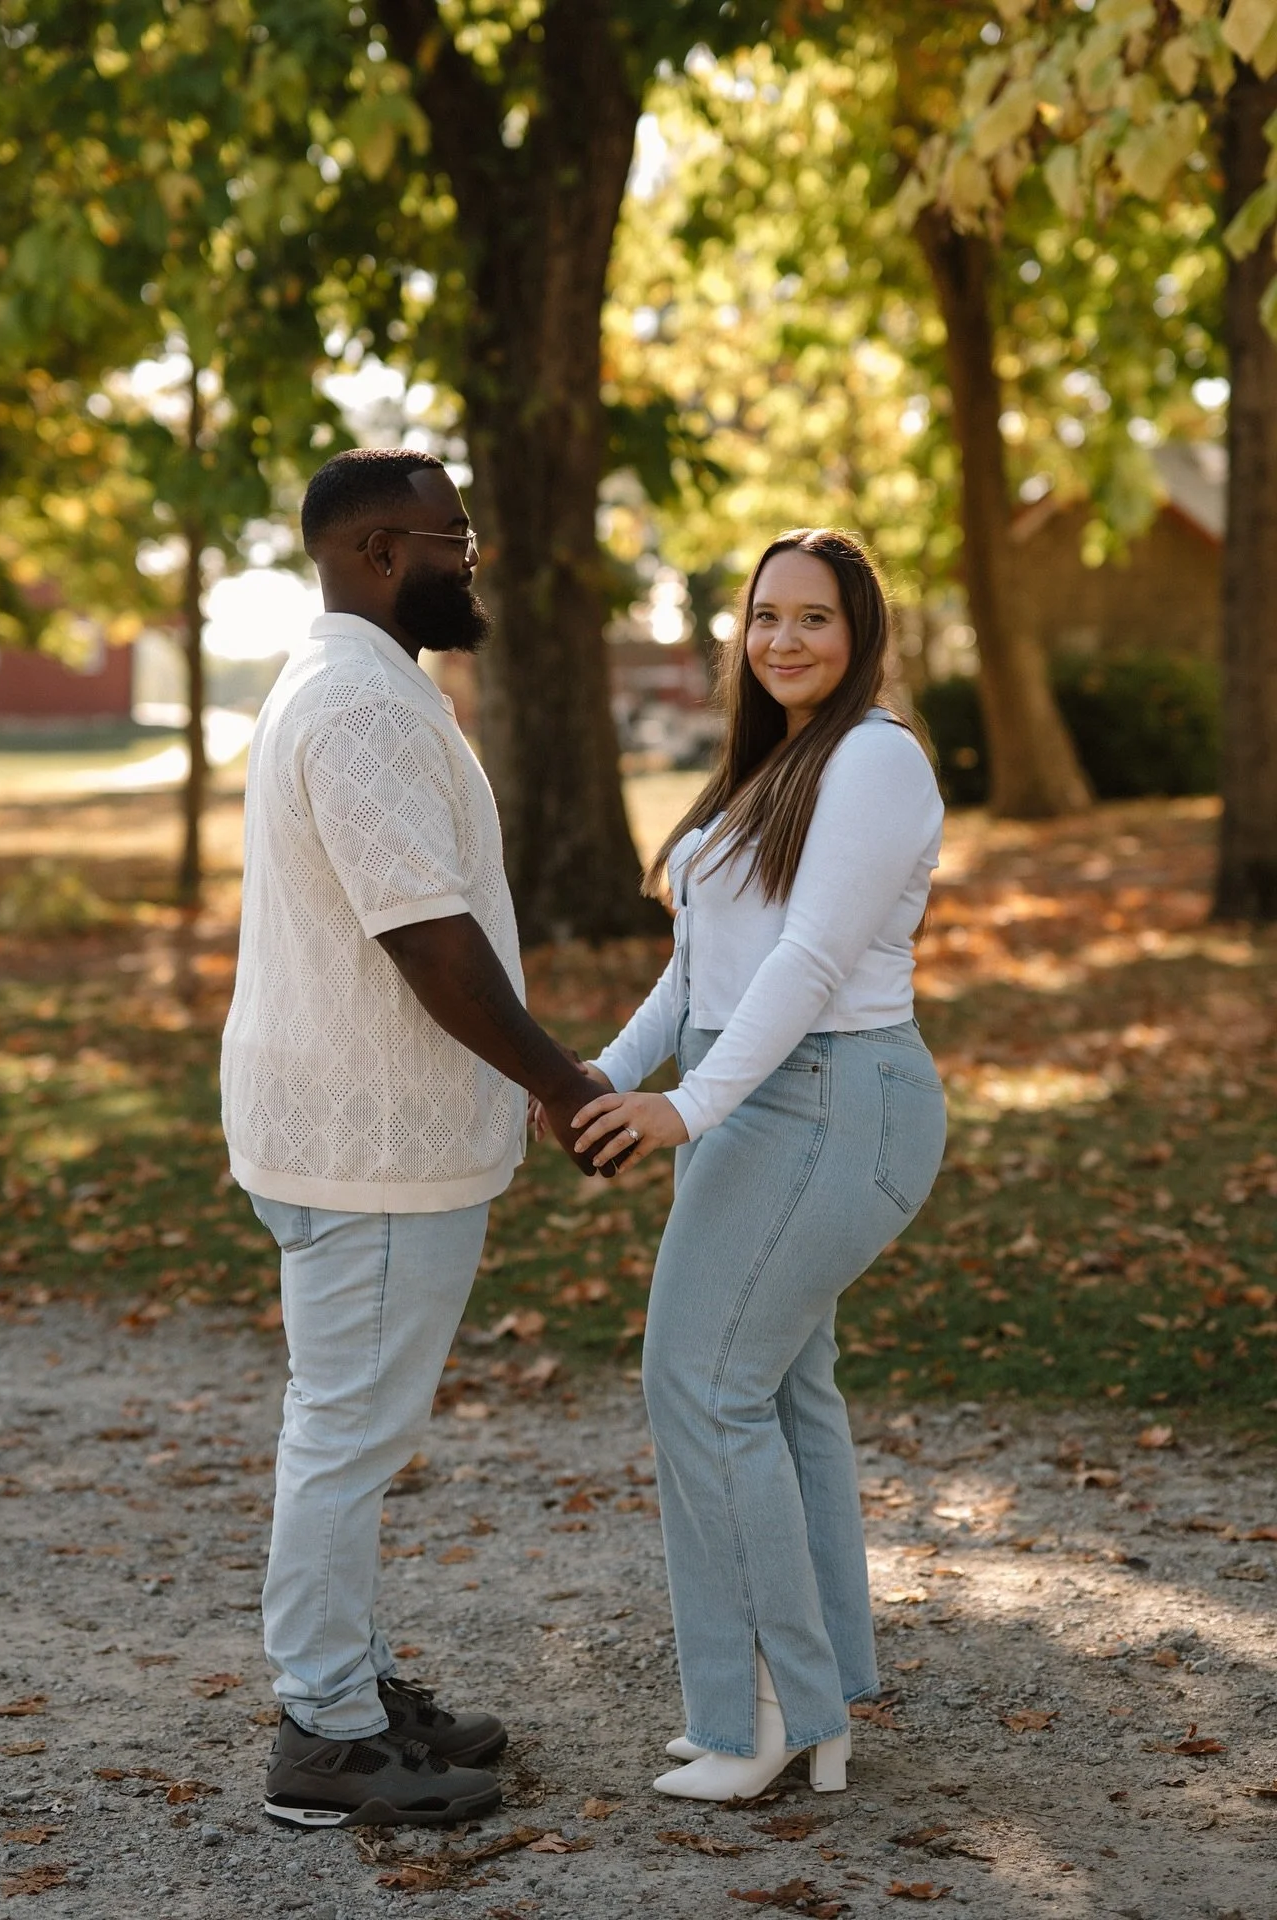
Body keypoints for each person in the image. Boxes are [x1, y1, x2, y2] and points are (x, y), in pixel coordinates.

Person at [220, 447, 608, 1830]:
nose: (471, 558)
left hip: (345, 1125)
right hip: (371, 1144)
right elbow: (427, 941)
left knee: (347, 1426)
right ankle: (325, 1733)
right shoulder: (364, 705)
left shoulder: (352, 682)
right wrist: (559, 1084)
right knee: (347, 1435)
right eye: (456, 540)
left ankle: (351, 1685)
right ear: (383, 553)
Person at [564, 527, 947, 1802]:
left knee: (702, 1380)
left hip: (836, 1098)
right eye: (766, 616)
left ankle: (766, 1715)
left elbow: (813, 963)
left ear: (862, 633)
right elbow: (699, 974)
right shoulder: (771, 767)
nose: (784, 639)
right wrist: (602, 1077)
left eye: (814, 618)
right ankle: (815, 1704)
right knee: (780, 1391)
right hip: (762, 1095)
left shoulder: (876, 759)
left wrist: (689, 1108)